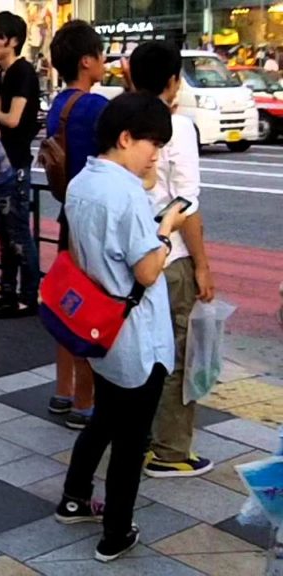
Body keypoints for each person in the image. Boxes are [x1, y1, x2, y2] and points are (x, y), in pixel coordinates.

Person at [55, 92, 186, 563]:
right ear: (126, 138)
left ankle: (74, 497)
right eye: (153, 144)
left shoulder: (82, 182)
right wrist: (166, 228)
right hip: (135, 336)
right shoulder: (126, 193)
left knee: (106, 417)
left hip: (99, 326)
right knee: (130, 442)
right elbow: (147, 270)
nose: (156, 155)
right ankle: (115, 532)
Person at [129, 41, 217, 479]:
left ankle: (138, 438)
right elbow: (187, 205)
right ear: (173, 81)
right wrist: (202, 265)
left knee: (138, 353)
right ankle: (171, 450)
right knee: (178, 356)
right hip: (170, 259)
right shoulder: (177, 127)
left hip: (130, 260)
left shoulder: (123, 120)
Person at [46, 20, 109, 430]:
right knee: (91, 309)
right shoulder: (95, 107)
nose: (104, 62)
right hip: (93, 222)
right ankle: (86, 403)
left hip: (67, 214)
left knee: (68, 303)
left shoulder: (60, 105)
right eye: (101, 55)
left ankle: (63, 391)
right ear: (87, 61)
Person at [0, 11, 41, 319]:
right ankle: (6, 289)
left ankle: (27, 296)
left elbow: (11, 119)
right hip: (2, 160)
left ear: (13, 41)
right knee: (3, 228)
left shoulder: (22, 72)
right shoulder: (3, 73)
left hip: (15, 162)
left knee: (17, 230)